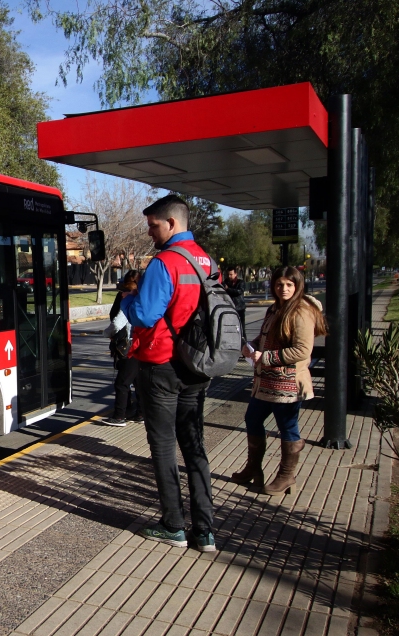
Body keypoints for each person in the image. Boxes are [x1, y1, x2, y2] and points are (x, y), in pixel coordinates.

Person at [119, 194, 219, 553]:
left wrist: (129, 299)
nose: (150, 232)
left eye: (153, 225)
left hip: (161, 364)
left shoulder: (165, 262)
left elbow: (145, 315)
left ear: (171, 223)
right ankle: (205, 530)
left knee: (162, 446)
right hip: (196, 364)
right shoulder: (207, 260)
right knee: (194, 445)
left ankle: (174, 525)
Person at [231, 266, 327, 495]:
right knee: (252, 419)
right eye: (279, 284)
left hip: (288, 383)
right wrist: (251, 346)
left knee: (288, 427)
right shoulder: (274, 308)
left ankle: (286, 475)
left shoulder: (301, 311)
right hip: (265, 382)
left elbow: (302, 350)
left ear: (297, 286)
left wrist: (266, 357)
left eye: (289, 285)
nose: (283, 289)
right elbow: (266, 336)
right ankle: (254, 468)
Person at [102, 276, 141, 426]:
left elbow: (116, 324)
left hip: (130, 348)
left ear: (130, 291)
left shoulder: (128, 305)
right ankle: (140, 413)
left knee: (122, 383)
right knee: (137, 381)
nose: (121, 294)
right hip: (140, 346)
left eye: (124, 291)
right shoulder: (140, 303)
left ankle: (119, 416)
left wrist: (105, 334)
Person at [224, 267, 247, 332]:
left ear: (235, 274)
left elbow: (239, 291)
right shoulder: (226, 282)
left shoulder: (240, 282)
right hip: (229, 307)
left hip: (239, 307)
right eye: (228, 274)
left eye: (231, 274)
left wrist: (228, 289)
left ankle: (243, 340)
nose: (229, 276)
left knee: (241, 326)